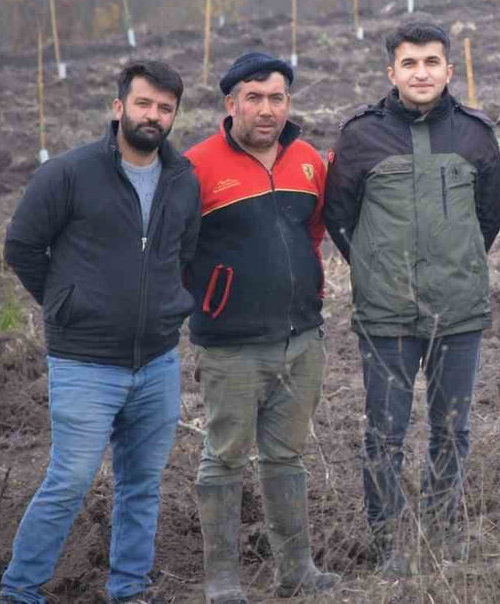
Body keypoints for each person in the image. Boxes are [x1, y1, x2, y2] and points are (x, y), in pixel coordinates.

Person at [0, 61, 200, 604]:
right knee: (68, 482)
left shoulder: (183, 181)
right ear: (119, 108)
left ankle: (129, 589)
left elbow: (185, 253)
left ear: (174, 114)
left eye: (165, 108)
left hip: (157, 362)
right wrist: (67, 304)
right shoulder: (69, 173)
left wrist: (163, 309)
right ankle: (20, 591)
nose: (153, 115)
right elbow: (21, 246)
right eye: (144, 104)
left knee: (142, 486)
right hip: (85, 363)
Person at [324, 20, 500, 576]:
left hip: (458, 311)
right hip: (387, 316)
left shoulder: (476, 133)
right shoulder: (360, 136)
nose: (421, 72)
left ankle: (443, 531)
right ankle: (387, 542)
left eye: (431, 62)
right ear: (392, 72)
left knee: (452, 427)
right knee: (385, 432)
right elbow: (340, 217)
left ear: (449, 69)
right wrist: (378, 270)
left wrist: (456, 264)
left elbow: (489, 215)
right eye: (409, 63)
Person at [184, 52, 338, 603]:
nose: (266, 109)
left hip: (301, 340)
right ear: (231, 105)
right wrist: (210, 303)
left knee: (286, 456)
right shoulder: (195, 166)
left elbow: (313, 232)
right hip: (232, 346)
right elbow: (178, 252)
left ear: (288, 103)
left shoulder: (307, 160)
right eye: (254, 98)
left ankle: (296, 570)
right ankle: (222, 579)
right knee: (223, 457)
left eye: (276, 98)